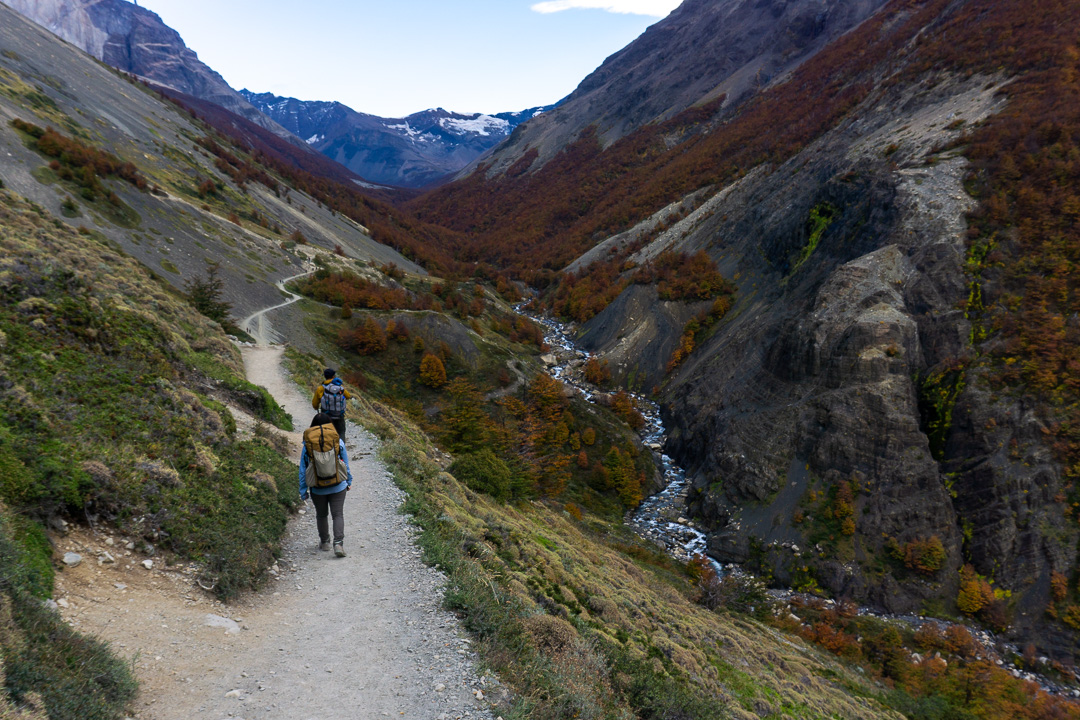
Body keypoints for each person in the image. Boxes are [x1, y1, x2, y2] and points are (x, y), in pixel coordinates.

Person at [299, 412, 353, 557]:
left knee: (321, 515)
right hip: (338, 485)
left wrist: (303, 490)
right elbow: (345, 464)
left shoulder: (307, 444)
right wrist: (348, 480)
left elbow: (303, 469)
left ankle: (325, 542)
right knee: (337, 514)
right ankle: (338, 544)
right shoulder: (337, 441)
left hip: (317, 487)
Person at [312, 368, 352, 439]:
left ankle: (327, 444)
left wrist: (317, 408)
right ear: (333, 376)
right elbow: (348, 396)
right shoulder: (339, 387)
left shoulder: (321, 388)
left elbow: (315, 404)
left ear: (325, 376)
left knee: (325, 433)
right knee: (341, 432)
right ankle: (341, 445)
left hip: (326, 416)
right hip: (339, 415)